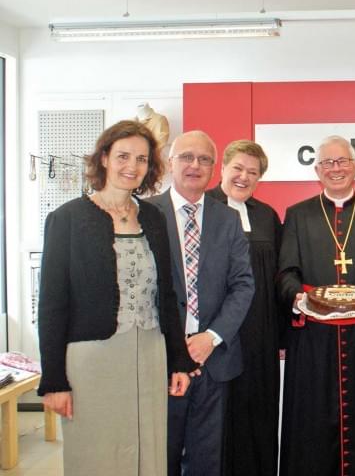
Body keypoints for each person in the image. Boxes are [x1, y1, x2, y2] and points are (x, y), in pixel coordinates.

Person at [37, 120, 197, 475]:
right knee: (97, 454)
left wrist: (179, 361)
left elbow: (167, 295)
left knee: (148, 451)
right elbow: (51, 305)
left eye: (141, 159)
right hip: (93, 359)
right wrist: (54, 381)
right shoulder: (67, 219)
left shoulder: (153, 217)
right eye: (123, 156)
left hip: (150, 351)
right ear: (105, 158)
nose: (132, 166)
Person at [277, 135, 355, 476]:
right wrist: (298, 298)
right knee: (312, 423)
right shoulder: (298, 215)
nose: (336, 169)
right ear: (317, 170)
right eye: (328, 163)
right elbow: (286, 272)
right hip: (313, 338)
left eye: (342, 161)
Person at [148, 130, 254, 476]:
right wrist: (177, 345)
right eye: (186, 157)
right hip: (159, 358)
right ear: (169, 163)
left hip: (214, 359)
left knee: (207, 459)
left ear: (214, 167)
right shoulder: (146, 215)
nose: (195, 165)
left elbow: (243, 285)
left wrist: (211, 337)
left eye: (205, 159)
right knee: (159, 456)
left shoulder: (228, 219)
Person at [206, 139, 283, 476]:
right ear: (222, 168)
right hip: (216, 333)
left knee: (259, 413)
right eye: (237, 168)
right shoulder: (202, 206)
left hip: (261, 336)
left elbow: (280, 277)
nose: (243, 177)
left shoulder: (267, 216)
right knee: (216, 419)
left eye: (253, 172)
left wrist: (281, 336)